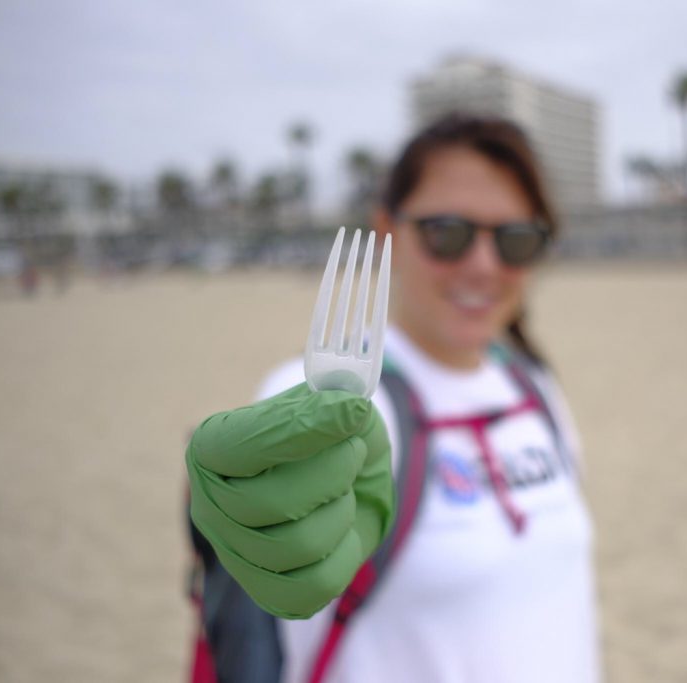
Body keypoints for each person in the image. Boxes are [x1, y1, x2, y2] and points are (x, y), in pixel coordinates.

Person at [186, 112, 601, 683]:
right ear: (386, 230)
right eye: (447, 233)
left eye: (515, 240)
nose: (483, 265)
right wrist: (238, 502)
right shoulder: (340, 396)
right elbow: (273, 495)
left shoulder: (533, 387)